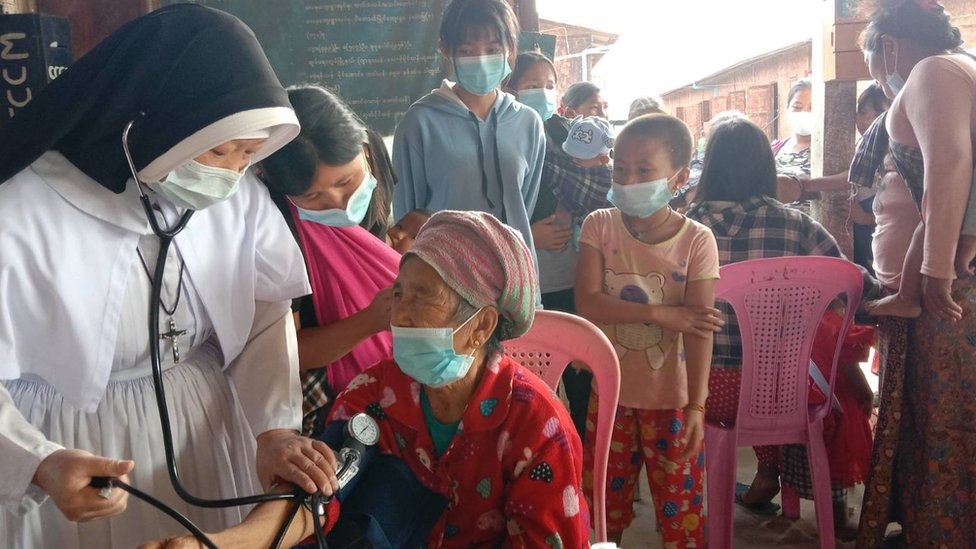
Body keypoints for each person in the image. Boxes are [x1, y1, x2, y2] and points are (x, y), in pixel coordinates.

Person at [0, 5, 339, 548]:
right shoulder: (20, 211)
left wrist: (273, 429)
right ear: (151, 119)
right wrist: (37, 462)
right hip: (66, 448)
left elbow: (262, 320)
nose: (229, 176)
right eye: (219, 149)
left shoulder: (238, 201)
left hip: (203, 431)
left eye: (248, 155)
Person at [141, 211, 591, 549]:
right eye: (399, 293)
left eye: (422, 297)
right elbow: (318, 489)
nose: (399, 312)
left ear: (481, 325)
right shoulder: (376, 393)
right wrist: (220, 543)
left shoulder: (538, 427)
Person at [684, 118, 877, 536]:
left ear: (710, 168)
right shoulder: (797, 225)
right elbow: (853, 283)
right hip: (784, 389)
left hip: (702, 391)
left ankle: (764, 477)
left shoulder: (684, 228)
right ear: (765, 169)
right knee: (819, 371)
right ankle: (800, 491)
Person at [847, 1, 976, 546]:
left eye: (873, 61)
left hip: (948, 292)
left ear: (890, 47)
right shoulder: (965, 66)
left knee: (943, 423)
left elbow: (950, 165)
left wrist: (935, 272)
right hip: (945, 273)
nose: (878, 77)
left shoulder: (933, 72)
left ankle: (943, 533)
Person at [576, 114, 723, 547]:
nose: (628, 179)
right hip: (610, 395)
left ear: (678, 178)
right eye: (620, 168)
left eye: (644, 171)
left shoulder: (697, 240)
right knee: (604, 510)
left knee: (682, 517)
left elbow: (699, 329)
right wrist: (663, 315)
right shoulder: (599, 226)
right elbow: (588, 303)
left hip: (673, 403)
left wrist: (697, 405)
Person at [259, 86, 401, 435]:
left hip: (397, 366)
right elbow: (287, 351)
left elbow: (375, 243)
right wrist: (369, 321)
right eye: (313, 197)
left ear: (365, 152)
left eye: (346, 181)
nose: (337, 202)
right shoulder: (271, 225)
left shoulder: (375, 155)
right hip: (334, 396)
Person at [392, 0, 544, 276]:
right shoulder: (419, 122)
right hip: (445, 279)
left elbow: (523, 205)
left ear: (510, 49)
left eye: (493, 49)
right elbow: (407, 220)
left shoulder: (528, 123)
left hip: (515, 277)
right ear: (445, 50)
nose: (482, 59)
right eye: (467, 51)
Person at [507, 51, 613, 437]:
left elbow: (602, 184)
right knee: (534, 386)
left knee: (583, 374)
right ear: (510, 88)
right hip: (529, 280)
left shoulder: (568, 133)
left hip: (573, 275)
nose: (542, 93)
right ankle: (545, 457)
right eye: (532, 85)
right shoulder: (506, 137)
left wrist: (598, 170)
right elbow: (492, 204)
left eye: (549, 85)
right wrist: (527, 233)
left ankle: (585, 462)